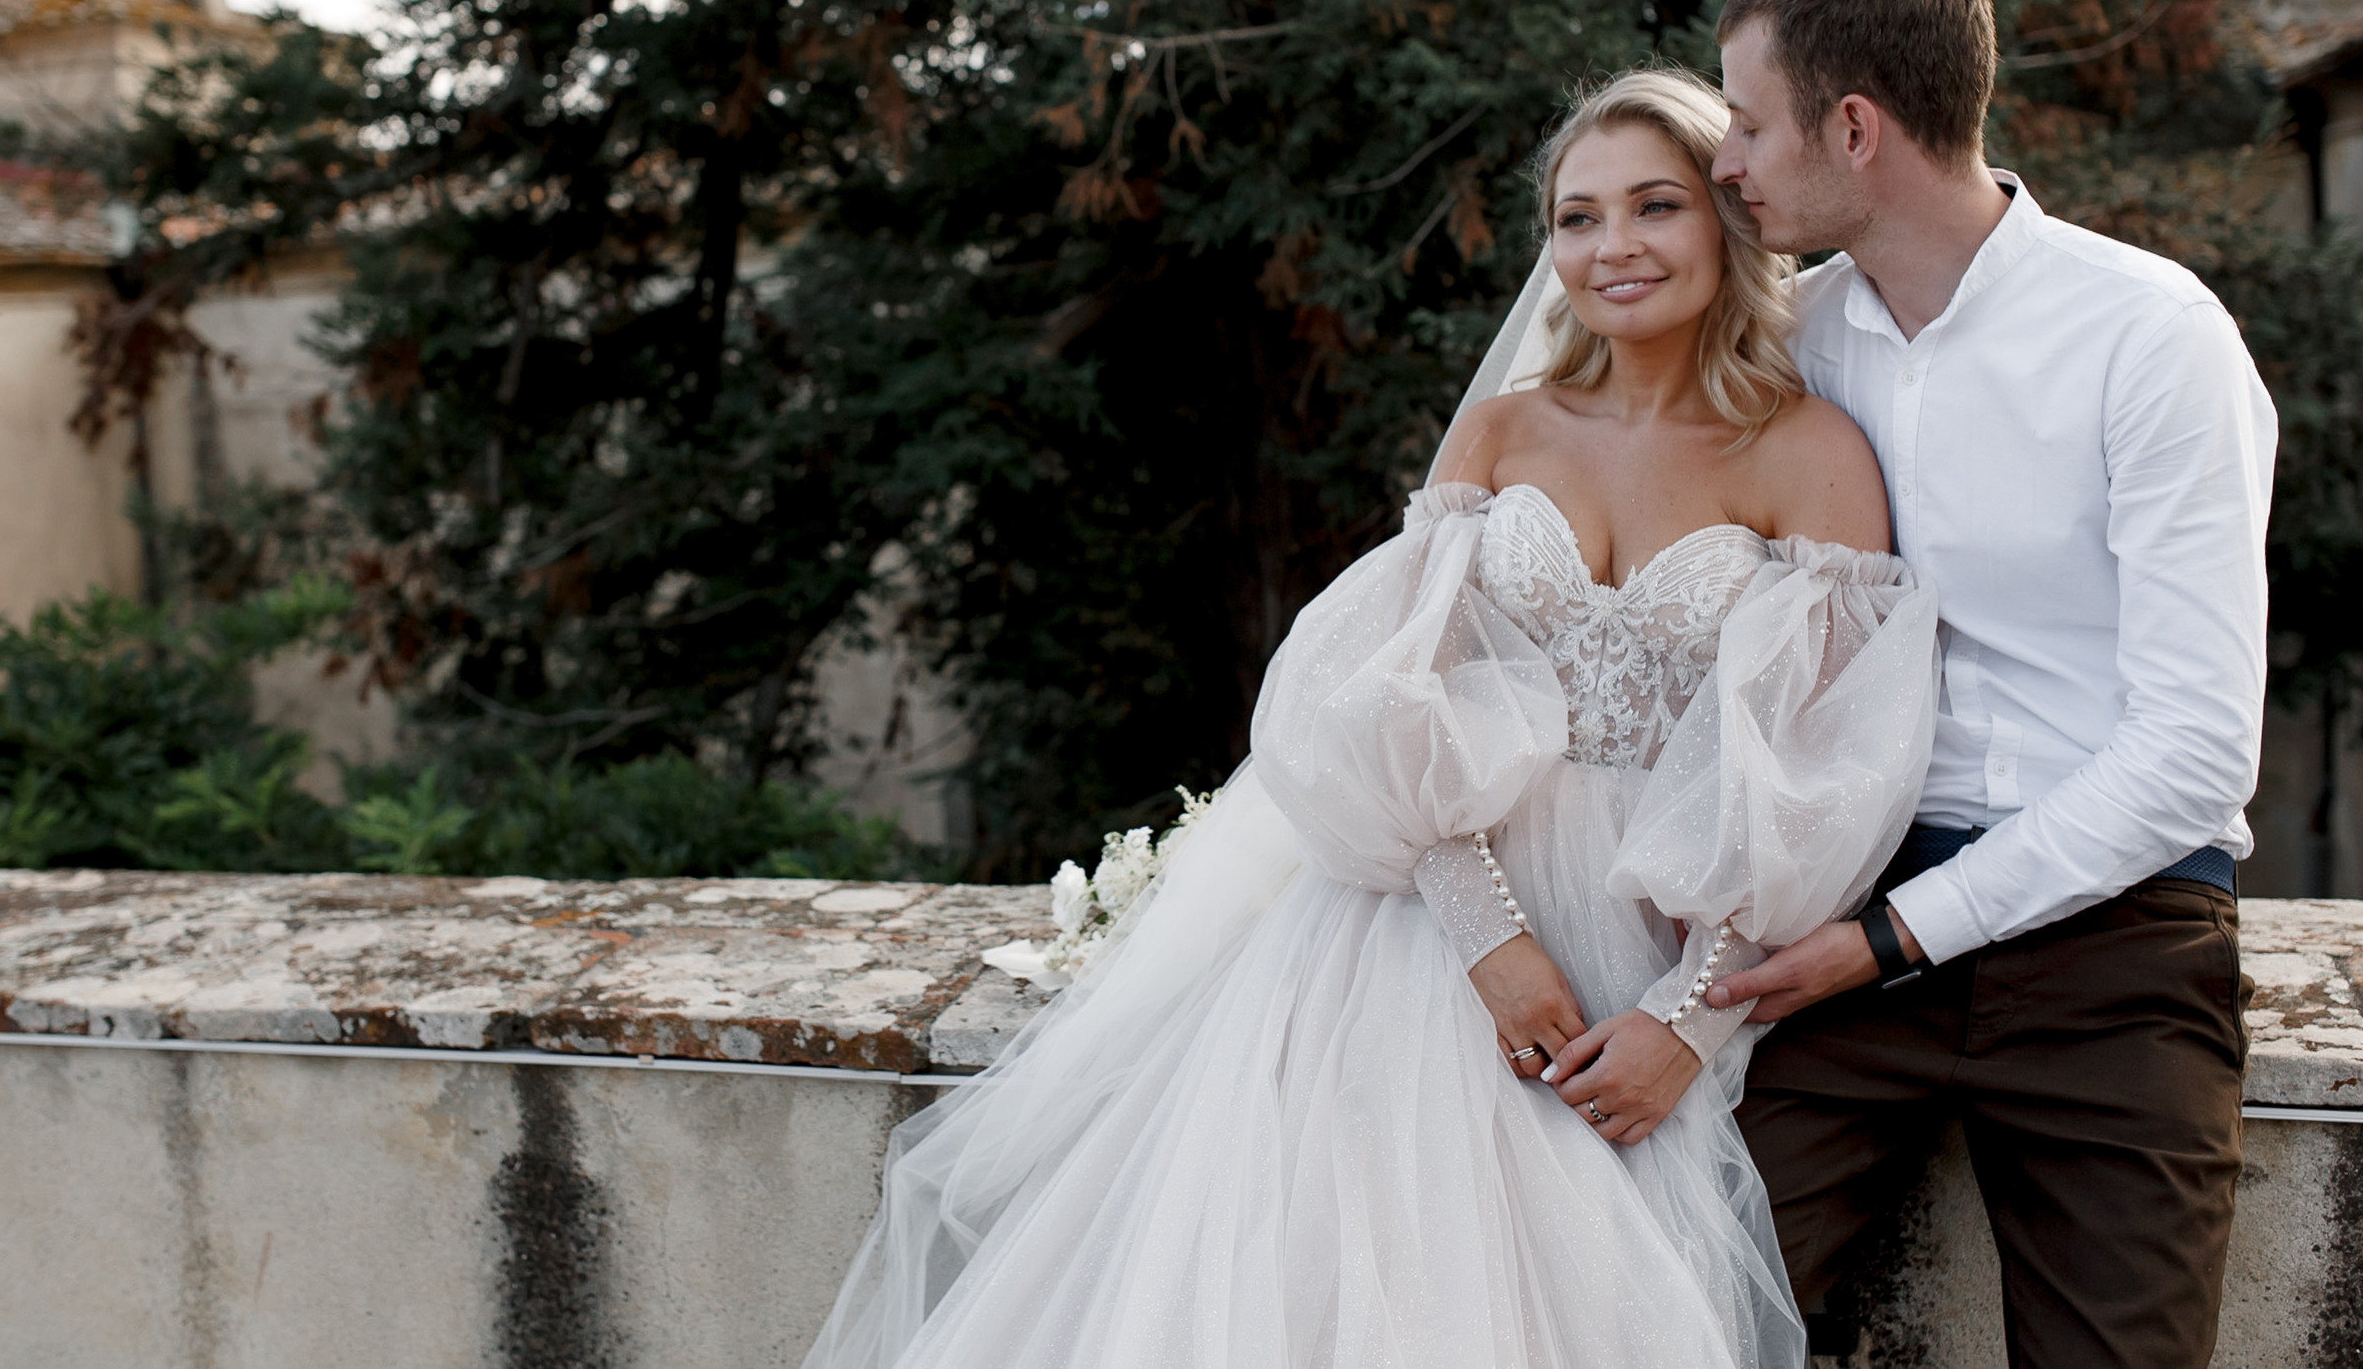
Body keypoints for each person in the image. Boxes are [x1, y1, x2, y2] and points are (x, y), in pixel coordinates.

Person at [803, 67, 1942, 1369]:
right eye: (1576, 219)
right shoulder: (1504, 433)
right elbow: (1393, 695)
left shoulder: (1811, 450)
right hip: (1427, 925)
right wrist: (1489, 943)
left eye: (1654, 206)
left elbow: (1824, 777)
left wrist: (1691, 1023)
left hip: (1651, 941)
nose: (1612, 247)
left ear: (1728, 222)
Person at [1699, 0, 2277, 1369]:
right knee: (1666, 1306)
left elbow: (2197, 749)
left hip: (2118, 943)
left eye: (1749, 125)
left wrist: (1895, 935)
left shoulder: (2153, 338)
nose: (1725, 164)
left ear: (1855, 127)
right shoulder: (1792, 350)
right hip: (1838, 913)